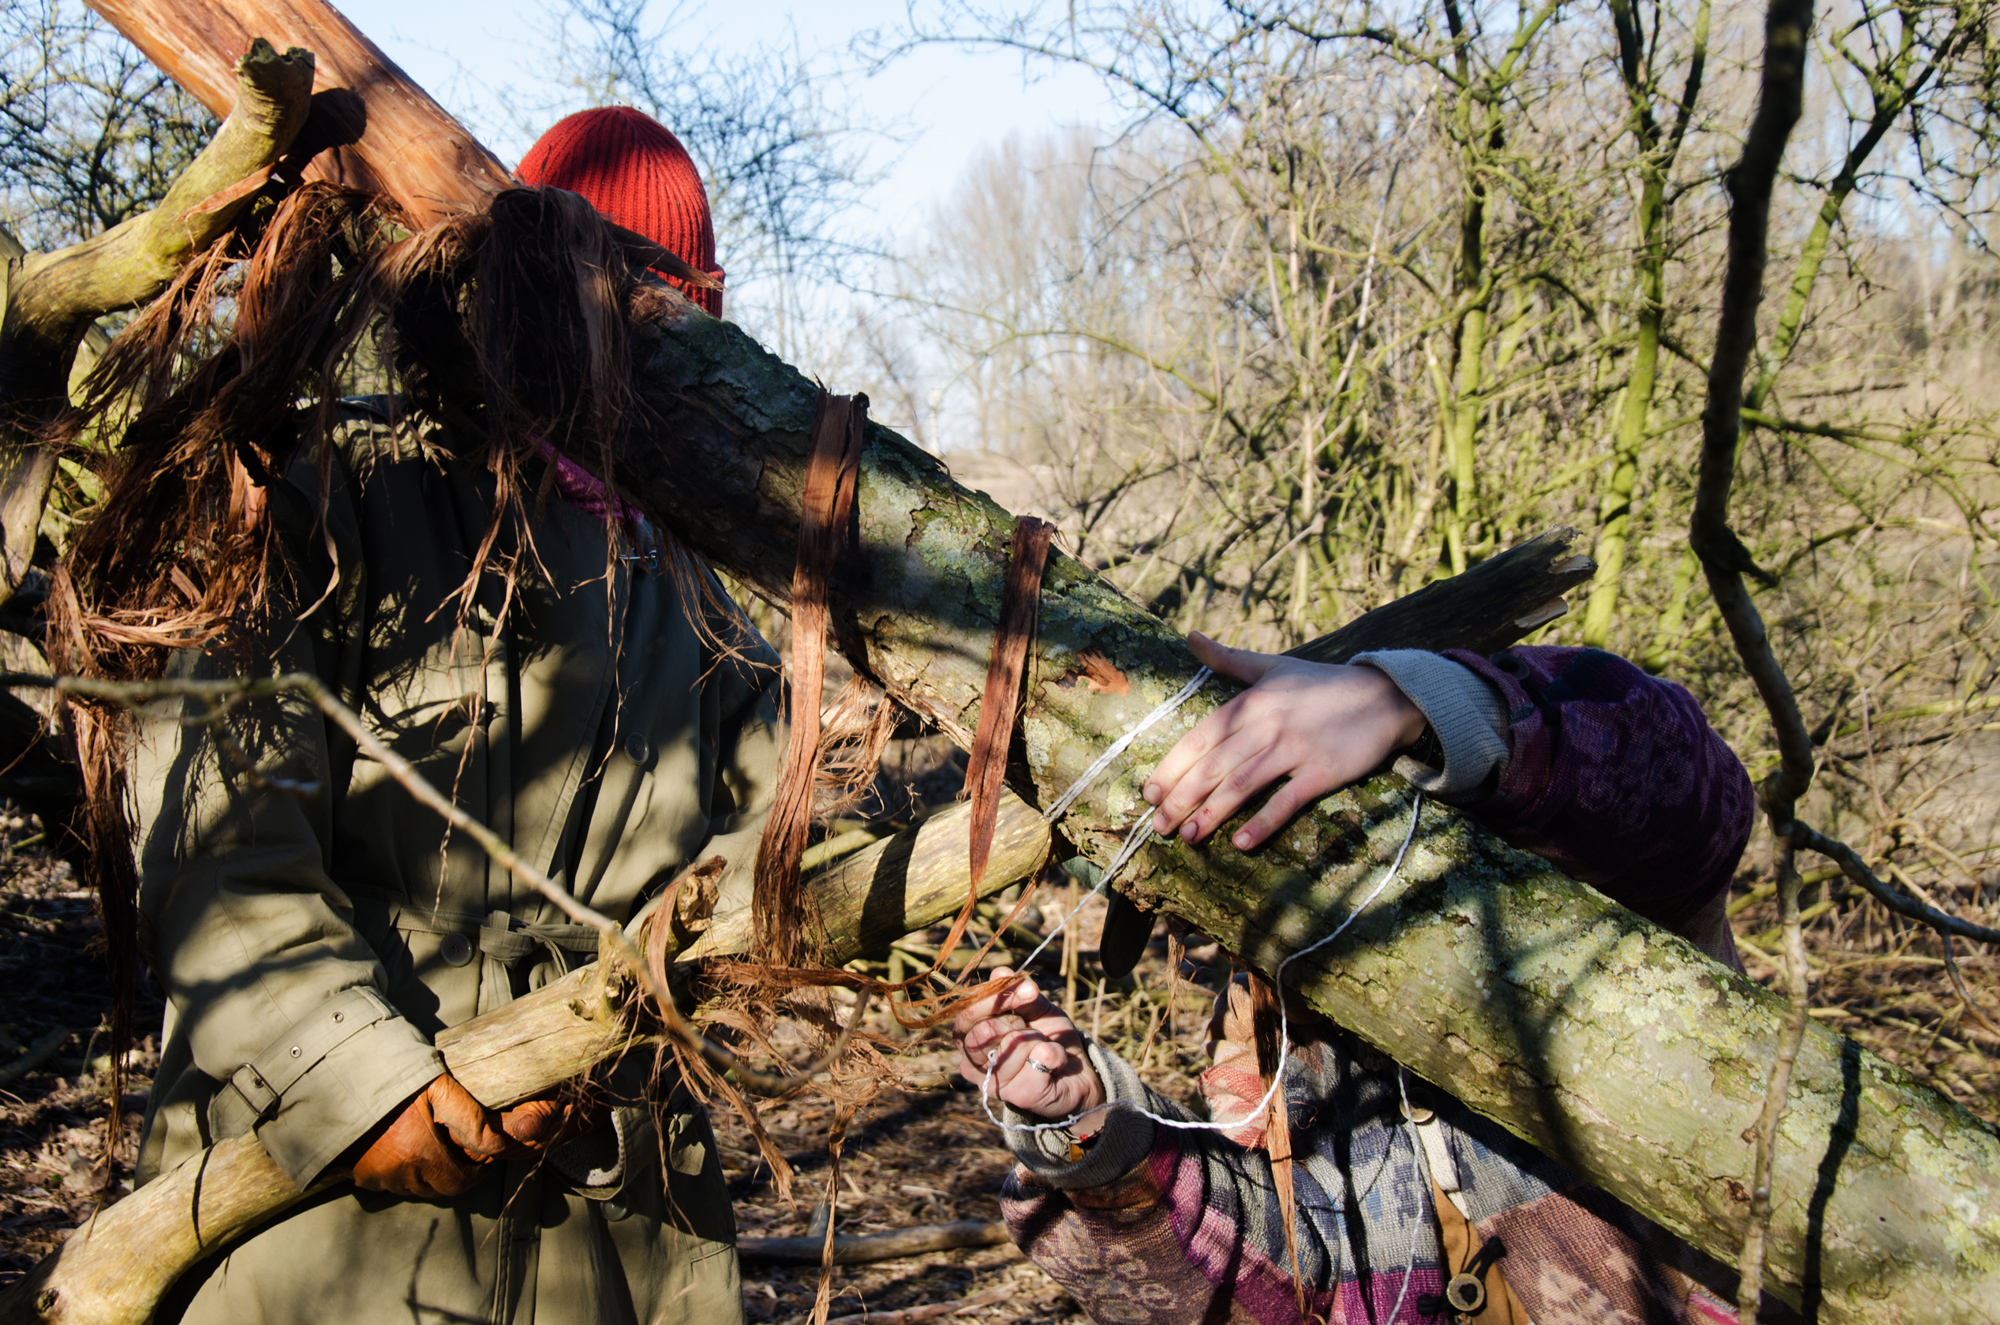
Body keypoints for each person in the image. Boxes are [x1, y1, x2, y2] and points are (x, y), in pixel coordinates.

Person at [129, 108, 771, 1324]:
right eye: (607, 293)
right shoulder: (328, 497)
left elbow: (782, 844)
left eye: (671, 306)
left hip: (608, 1249)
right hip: (325, 1237)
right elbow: (220, 837)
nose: (627, 340)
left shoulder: (700, 591)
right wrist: (359, 1088)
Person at [955, 631, 1773, 1323]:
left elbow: (1690, 796)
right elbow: (1269, 1286)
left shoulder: (1568, 886)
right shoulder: (1265, 1021)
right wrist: (1085, 1126)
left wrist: (1415, 705)